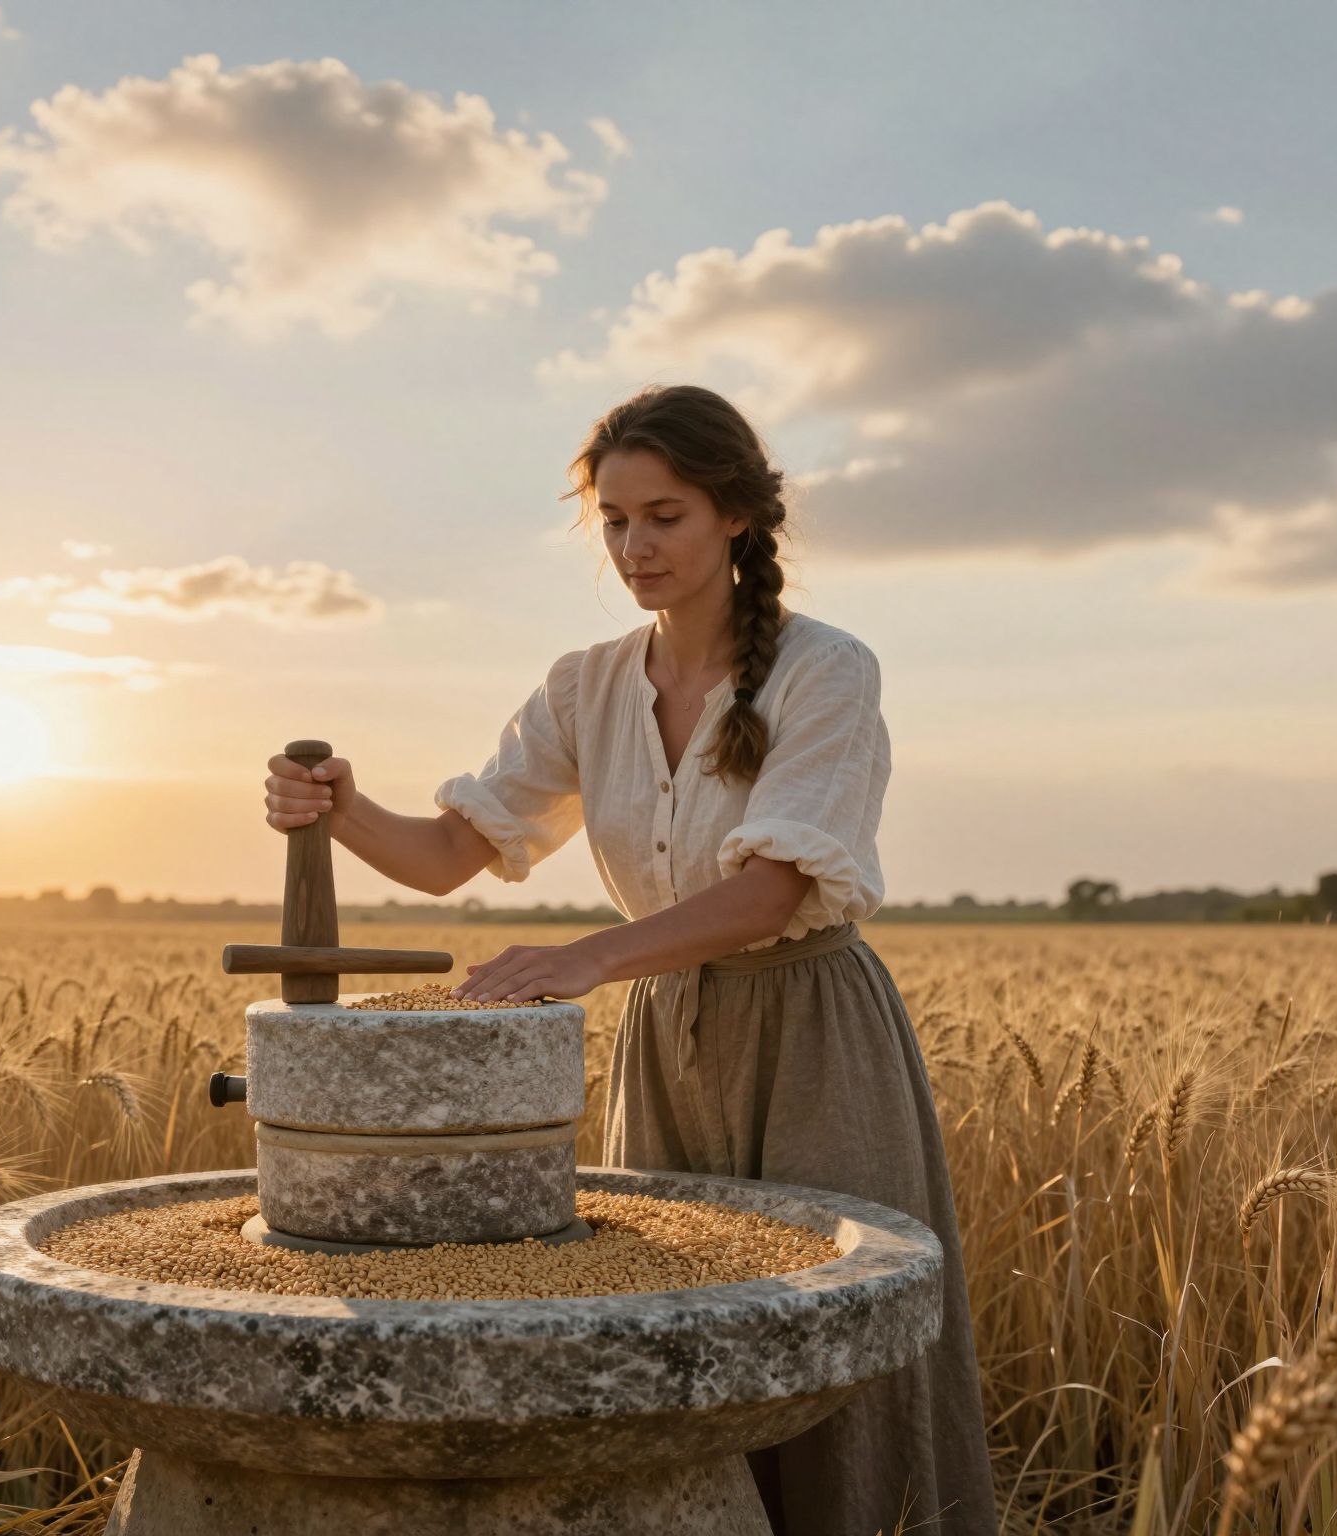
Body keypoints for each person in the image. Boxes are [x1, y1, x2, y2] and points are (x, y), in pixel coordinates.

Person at [260, 383, 995, 1536]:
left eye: (666, 516)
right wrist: (343, 809)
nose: (635, 547)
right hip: (666, 1042)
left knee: (836, 1347)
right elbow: (454, 851)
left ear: (737, 517)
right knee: (674, 1341)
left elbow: (773, 891)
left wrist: (588, 957)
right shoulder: (583, 684)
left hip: (810, 1036)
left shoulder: (824, 671)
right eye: (613, 521)